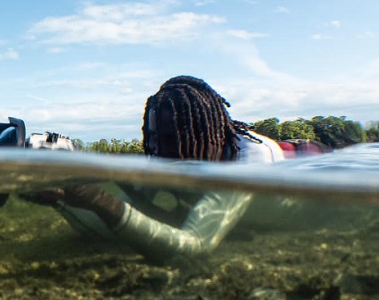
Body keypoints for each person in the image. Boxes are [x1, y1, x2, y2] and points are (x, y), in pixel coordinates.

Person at [25, 75, 285, 261]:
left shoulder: (252, 159)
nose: (159, 151)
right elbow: (108, 230)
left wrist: (96, 198)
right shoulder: (167, 157)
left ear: (207, 132)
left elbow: (194, 245)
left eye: (172, 138)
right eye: (153, 138)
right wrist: (60, 197)